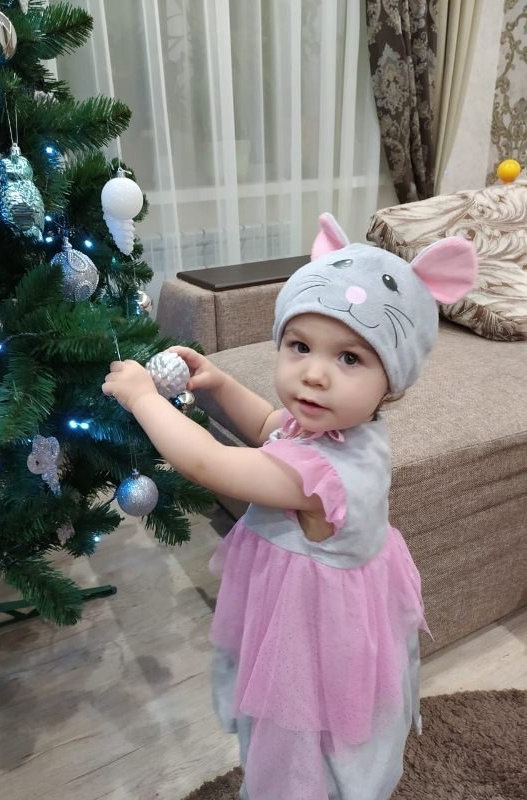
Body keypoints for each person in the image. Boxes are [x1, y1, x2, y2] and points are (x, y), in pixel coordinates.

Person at [102, 212, 478, 800]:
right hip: (322, 605)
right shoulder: (334, 429)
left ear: (392, 383)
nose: (314, 375)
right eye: (299, 346)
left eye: (350, 359)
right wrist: (219, 382)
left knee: (302, 734)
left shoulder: (323, 474)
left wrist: (143, 399)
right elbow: (266, 426)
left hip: (310, 633)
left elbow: (208, 464)